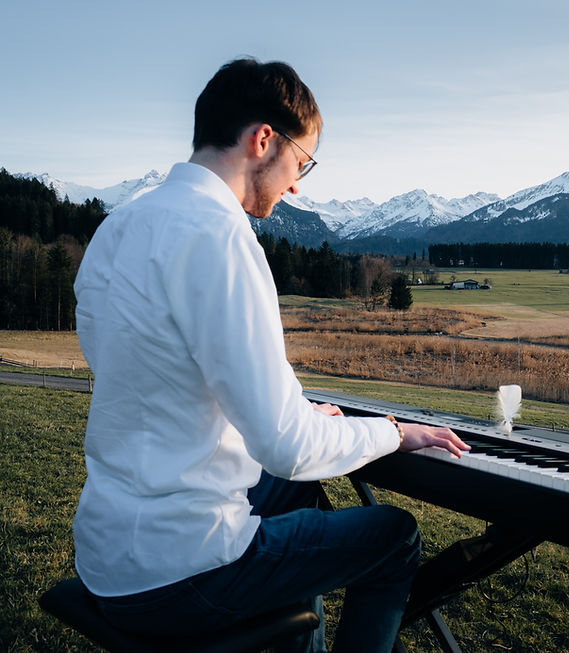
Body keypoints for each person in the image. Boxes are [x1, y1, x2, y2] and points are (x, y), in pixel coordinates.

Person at [72, 57, 469, 653]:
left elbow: (162, 379)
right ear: (264, 139)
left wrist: (305, 421)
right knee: (395, 537)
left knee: (293, 491)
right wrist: (390, 432)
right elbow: (287, 447)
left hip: (107, 550)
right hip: (177, 569)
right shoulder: (221, 235)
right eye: (301, 162)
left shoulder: (121, 225)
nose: (298, 184)